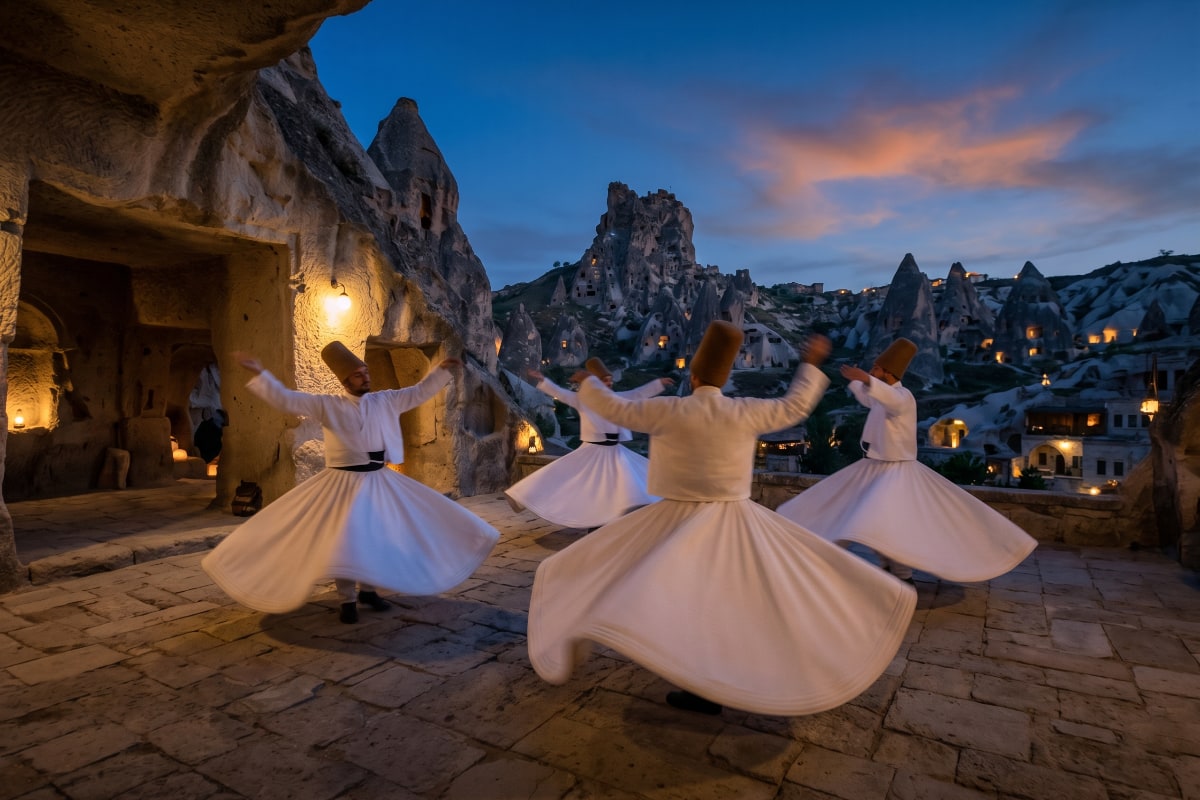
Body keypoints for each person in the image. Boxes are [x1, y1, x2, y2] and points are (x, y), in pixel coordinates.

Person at [527, 321, 916, 717]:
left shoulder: (668, 410)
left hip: (674, 519)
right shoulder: (743, 411)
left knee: (646, 585)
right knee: (722, 600)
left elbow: (615, 407)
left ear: (694, 377)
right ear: (726, 378)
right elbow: (794, 407)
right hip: (733, 521)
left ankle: (696, 677)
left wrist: (590, 382)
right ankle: (717, 677)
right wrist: (810, 364)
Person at [202, 341, 500, 623]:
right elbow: (288, 399)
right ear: (345, 381)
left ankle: (369, 591)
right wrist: (259, 373)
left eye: (365, 371)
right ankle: (347, 600)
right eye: (358, 375)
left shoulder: (385, 400)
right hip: (342, 483)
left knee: (375, 538)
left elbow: (418, 392)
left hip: (378, 480)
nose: (365, 377)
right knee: (345, 542)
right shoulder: (328, 405)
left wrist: (441, 371)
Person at [775, 338, 1037, 583]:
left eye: (876, 368)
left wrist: (864, 378)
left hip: (896, 470)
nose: (872, 371)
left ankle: (901, 574)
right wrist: (856, 381)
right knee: (861, 516)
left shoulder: (903, 397)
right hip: (875, 466)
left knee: (879, 521)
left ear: (887, 373)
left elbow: (889, 399)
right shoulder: (883, 396)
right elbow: (869, 397)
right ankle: (879, 566)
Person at [505, 358, 672, 529]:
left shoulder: (616, 398)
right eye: (605, 380)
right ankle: (524, 495)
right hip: (594, 450)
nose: (609, 384)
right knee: (571, 480)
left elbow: (637, 394)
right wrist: (543, 381)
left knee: (627, 485)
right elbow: (562, 394)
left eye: (610, 380)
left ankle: (611, 521)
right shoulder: (583, 399)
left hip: (614, 451)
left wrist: (658, 384)